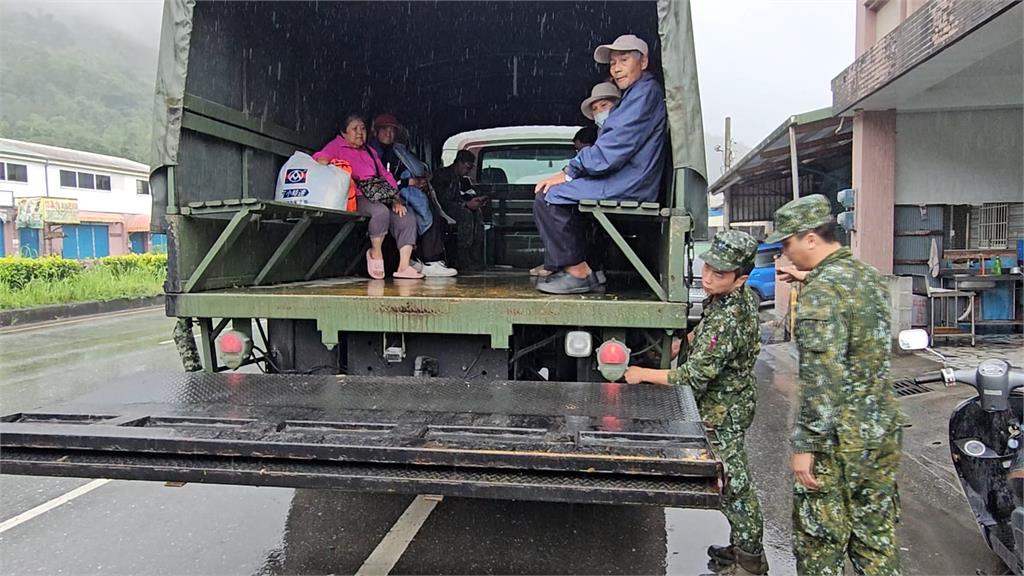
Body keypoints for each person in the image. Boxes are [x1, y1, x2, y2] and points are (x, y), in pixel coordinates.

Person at [765, 194, 904, 576]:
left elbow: (822, 376)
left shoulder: (822, 293)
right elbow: (842, 293)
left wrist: (807, 444)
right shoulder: (867, 277)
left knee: (819, 545)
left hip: (838, 440)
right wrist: (809, 278)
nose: (784, 254)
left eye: (787, 243)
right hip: (879, 432)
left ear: (811, 238)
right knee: (875, 540)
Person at [623, 230, 768, 576]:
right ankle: (740, 549)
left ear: (741, 279)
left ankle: (749, 562)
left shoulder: (729, 316)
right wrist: (683, 342)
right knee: (729, 482)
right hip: (728, 405)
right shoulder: (732, 299)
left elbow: (692, 377)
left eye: (718, 274)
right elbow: (708, 332)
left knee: (733, 486)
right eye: (707, 269)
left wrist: (642, 374)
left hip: (724, 412)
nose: (707, 278)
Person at [533, 34, 666, 294]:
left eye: (624, 60)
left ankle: (579, 273)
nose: (615, 68)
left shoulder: (644, 93)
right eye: (612, 63)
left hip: (629, 182)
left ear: (644, 62)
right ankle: (588, 268)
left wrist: (569, 172)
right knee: (563, 200)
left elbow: (611, 151)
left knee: (548, 196)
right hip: (625, 177)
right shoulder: (637, 94)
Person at [313, 114, 422, 280]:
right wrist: (327, 165)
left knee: (405, 216)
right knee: (380, 213)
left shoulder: (370, 151)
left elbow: (385, 174)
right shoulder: (336, 146)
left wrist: (396, 198)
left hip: (379, 193)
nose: (359, 133)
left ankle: (404, 266)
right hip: (357, 195)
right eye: (354, 129)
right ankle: (375, 253)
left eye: (362, 128)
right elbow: (320, 159)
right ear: (344, 133)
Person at [369, 113, 457, 277]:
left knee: (429, 208)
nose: (389, 133)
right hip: (383, 197)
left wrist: (418, 180)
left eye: (392, 130)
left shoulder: (394, 150)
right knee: (420, 211)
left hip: (399, 193)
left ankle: (426, 259)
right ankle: (429, 259)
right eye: (385, 129)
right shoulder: (374, 152)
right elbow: (376, 179)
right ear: (375, 131)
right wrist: (407, 183)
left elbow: (403, 171)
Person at [433, 150, 487, 271]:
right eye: (467, 167)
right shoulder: (442, 175)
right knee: (466, 215)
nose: (468, 171)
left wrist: (473, 201)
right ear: (459, 163)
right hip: (440, 209)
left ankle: (475, 255)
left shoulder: (458, 178)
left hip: (452, 206)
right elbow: (442, 200)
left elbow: (456, 197)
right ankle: (461, 257)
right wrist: (466, 205)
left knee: (477, 212)